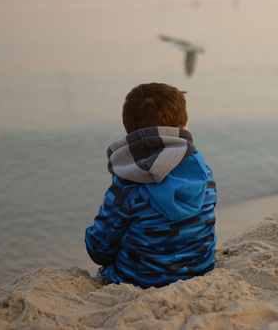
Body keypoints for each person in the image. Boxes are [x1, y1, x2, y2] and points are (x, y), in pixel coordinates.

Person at [85, 82, 217, 288]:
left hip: (141, 280)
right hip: (201, 270)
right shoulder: (203, 172)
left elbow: (98, 250)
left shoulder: (128, 185)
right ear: (183, 129)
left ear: (130, 133)